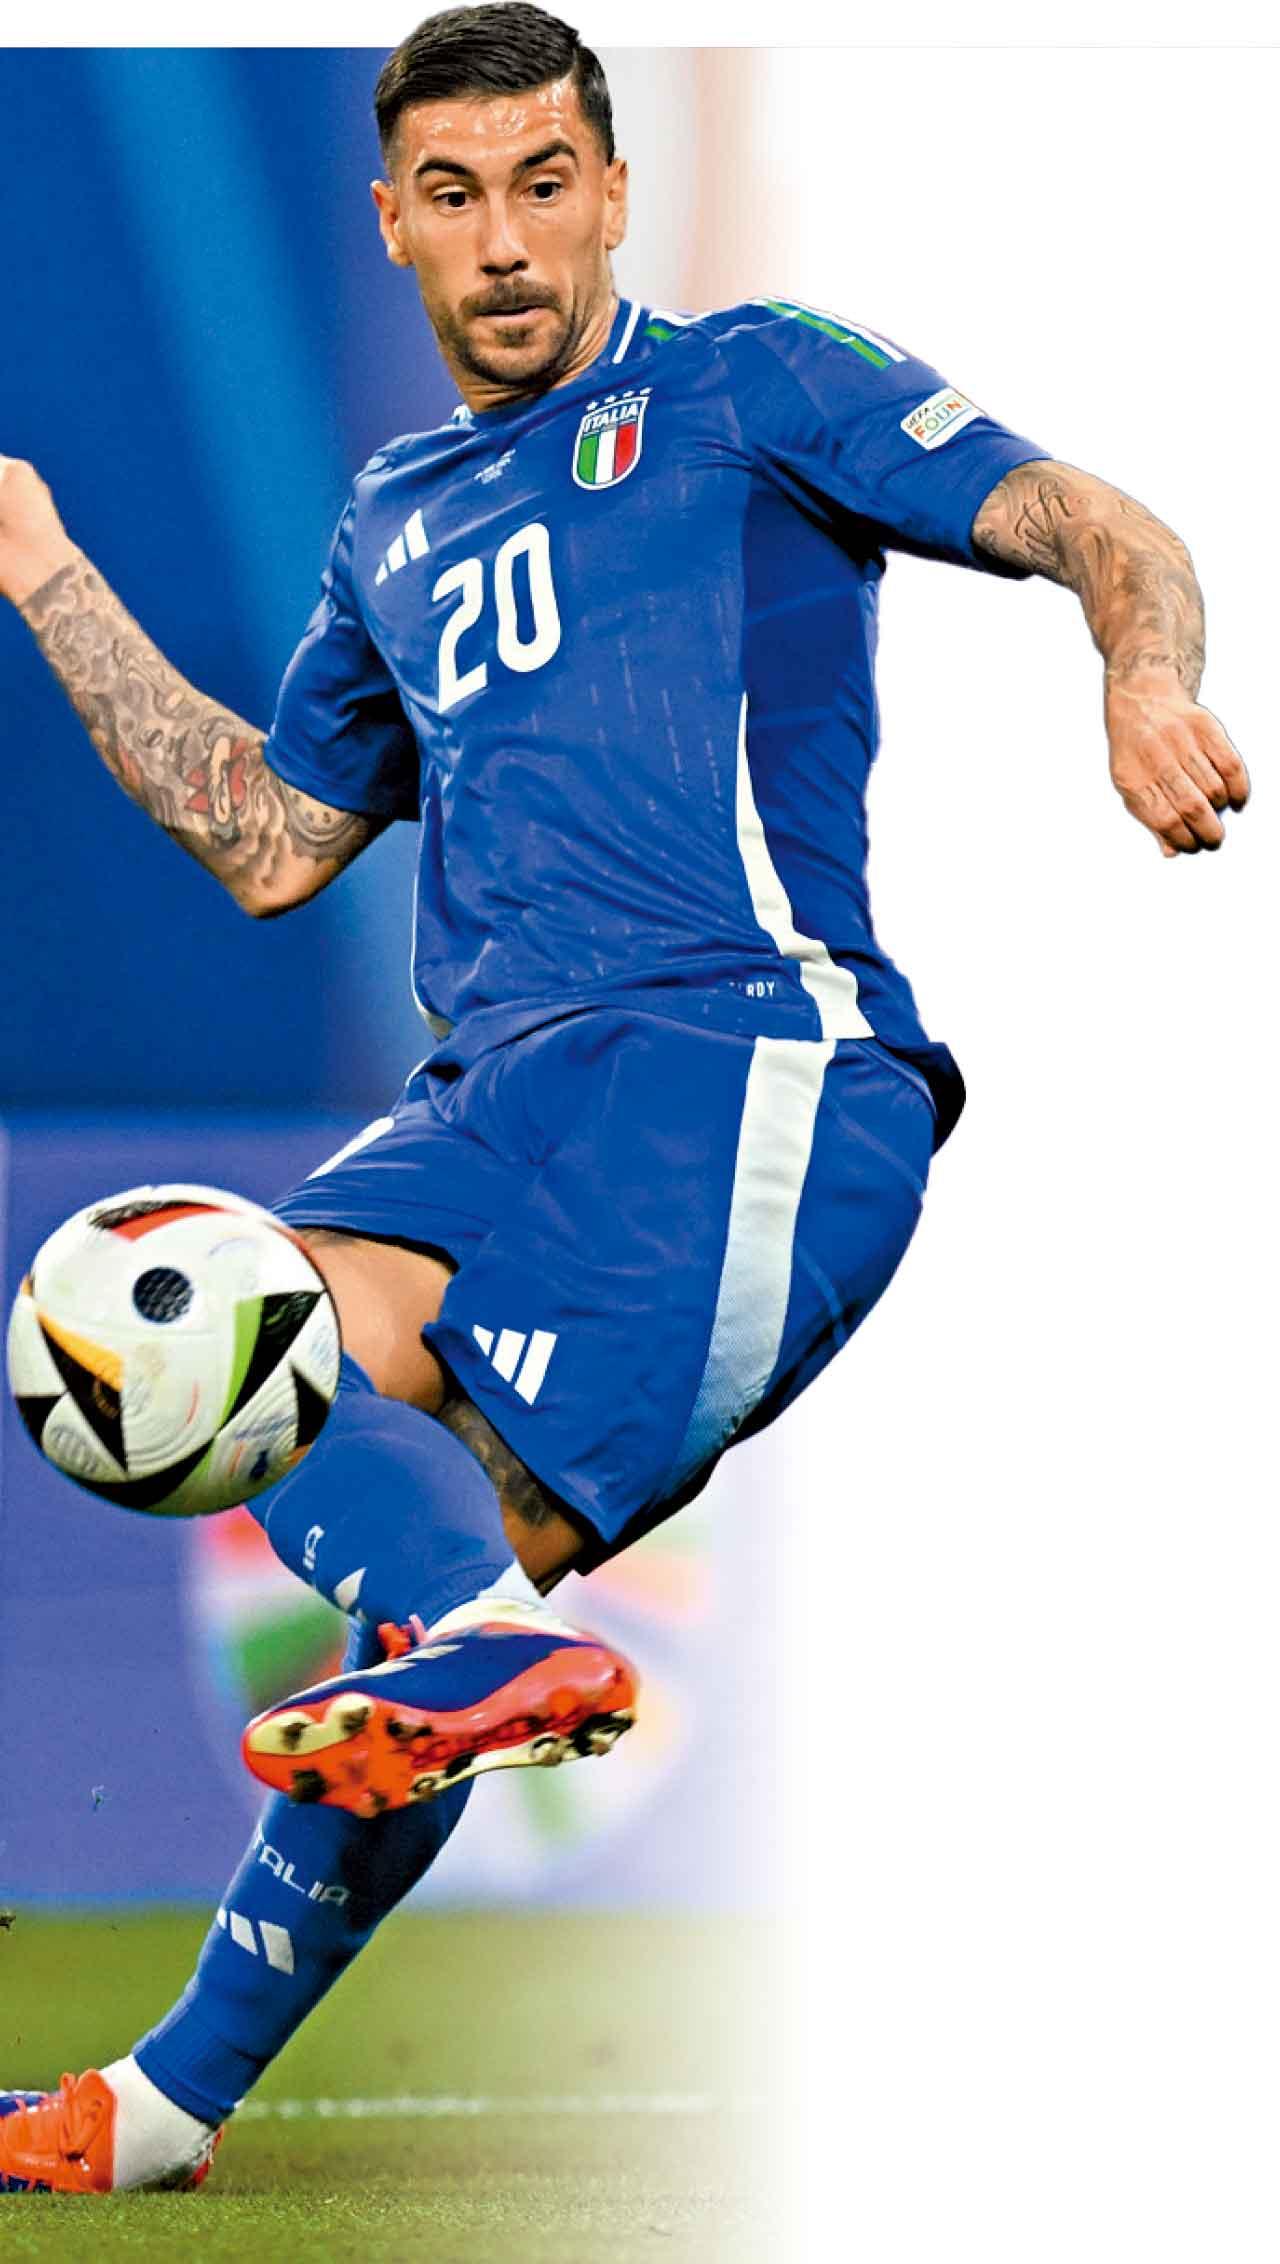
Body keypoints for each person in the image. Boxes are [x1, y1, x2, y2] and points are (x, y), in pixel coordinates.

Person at [0, 2, 1249, 2200]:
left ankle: (459, 1675)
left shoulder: (752, 384)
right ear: (390, 222)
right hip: (491, 1097)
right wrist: (40, 569)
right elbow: (272, 839)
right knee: (191, 1337)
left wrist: (1141, 676)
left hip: (749, 1072)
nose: (505, 239)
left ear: (612, 191)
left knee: (419, 1585)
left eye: (544, 182)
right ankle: (203, 2054)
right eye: (454, 194)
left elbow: (1088, 515)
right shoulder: (393, 520)